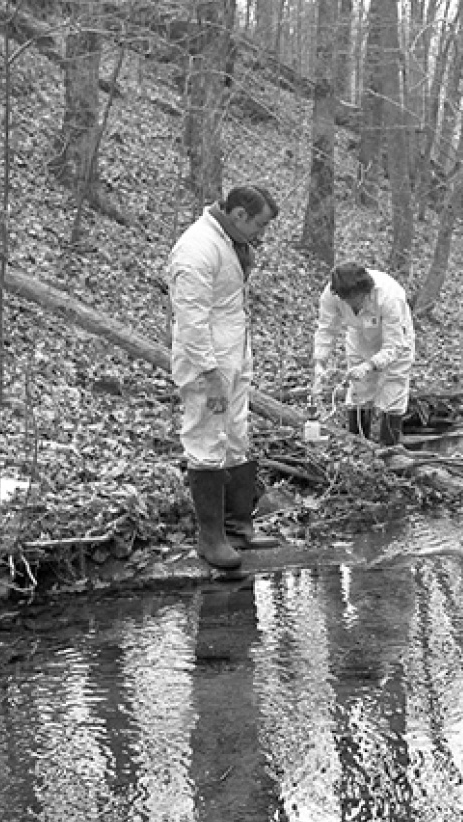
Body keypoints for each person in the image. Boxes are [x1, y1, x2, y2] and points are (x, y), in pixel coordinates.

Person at [166, 184, 281, 570]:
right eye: (259, 226)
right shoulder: (197, 248)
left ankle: (237, 528)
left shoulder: (230, 243)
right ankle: (211, 539)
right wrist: (209, 370)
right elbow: (191, 318)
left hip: (231, 357)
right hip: (208, 367)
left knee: (235, 435)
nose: (261, 236)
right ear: (239, 216)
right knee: (206, 438)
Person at [311, 261, 416, 446]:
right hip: (359, 336)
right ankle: (358, 446)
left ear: (366, 291)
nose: (352, 303)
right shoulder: (332, 293)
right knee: (359, 391)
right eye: (348, 299)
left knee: (393, 390)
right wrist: (320, 362)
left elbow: (394, 345)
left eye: (356, 298)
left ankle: (389, 450)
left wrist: (370, 365)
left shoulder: (390, 296)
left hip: (396, 338)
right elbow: (326, 328)